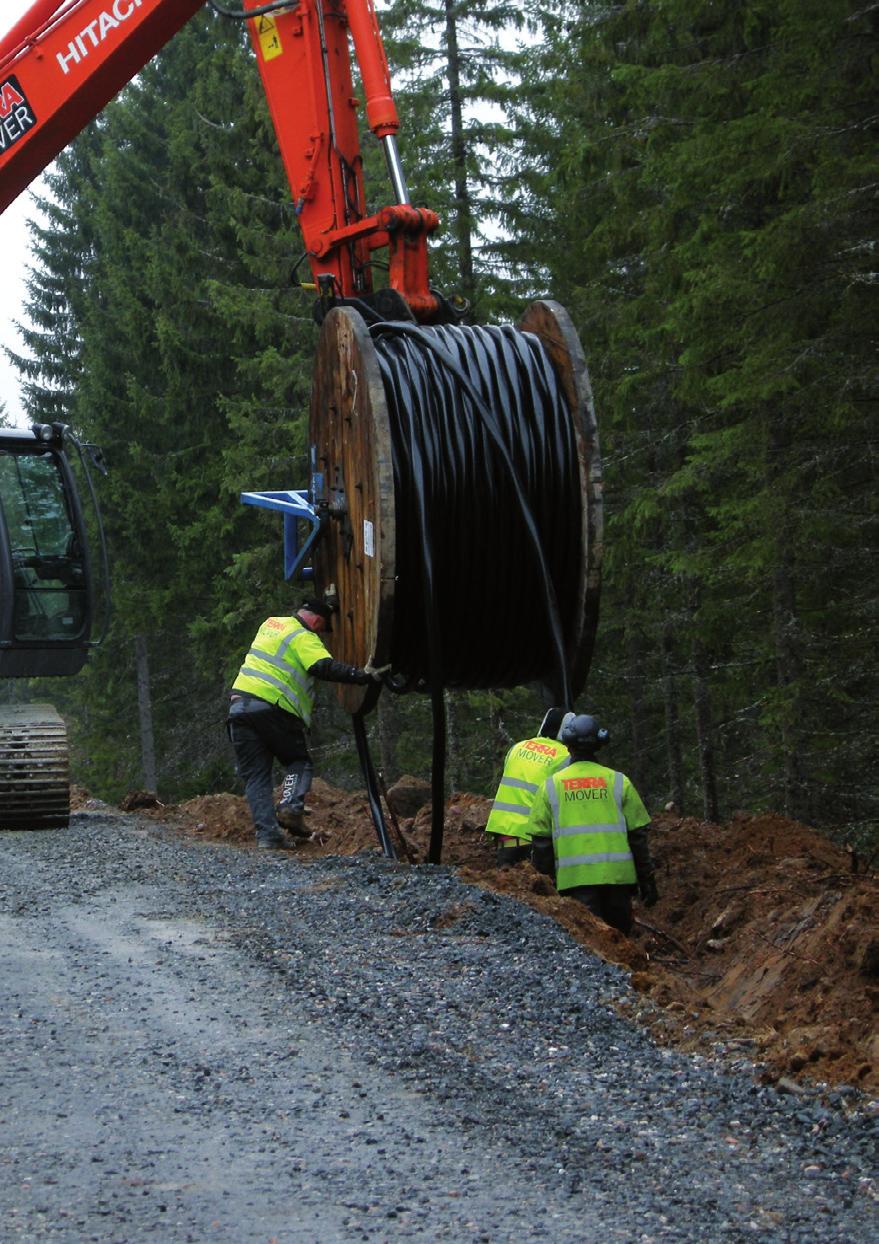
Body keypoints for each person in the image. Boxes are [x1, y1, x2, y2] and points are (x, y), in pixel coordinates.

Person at [228, 599, 380, 850]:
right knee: (298, 762)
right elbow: (323, 666)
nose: (321, 634)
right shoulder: (303, 636)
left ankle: (268, 836)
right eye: (323, 629)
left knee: (256, 776)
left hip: (239, 708)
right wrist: (361, 675)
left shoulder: (271, 624)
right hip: (273, 708)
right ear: (318, 621)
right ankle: (290, 805)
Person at [526, 713, 658, 934]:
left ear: (568, 746)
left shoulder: (551, 786)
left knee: (590, 947)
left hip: (575, 883)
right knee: (621, 942)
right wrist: (647, 880)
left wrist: (546, 888)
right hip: (618, 881)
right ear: (600, 744)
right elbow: (638, 837)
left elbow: (542, 844)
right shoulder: (618, 781)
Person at [485, 707, 575, 867]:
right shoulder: (565, 757)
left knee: (506, 887)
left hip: (504, 834)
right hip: (536, 839)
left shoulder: (518, 747)